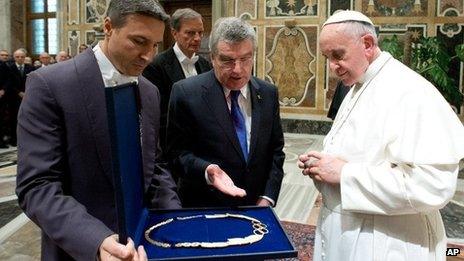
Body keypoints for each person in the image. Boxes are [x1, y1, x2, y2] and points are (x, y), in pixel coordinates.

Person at [16, 1, 180, 260]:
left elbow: (154, 165)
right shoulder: (50, 86)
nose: (149, 55)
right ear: (108, 27)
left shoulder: (150, 92)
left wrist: (174, 218)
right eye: (139, 41)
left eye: (155, 45)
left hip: (146, 246)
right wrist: (96, 240)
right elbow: (37, 186)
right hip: (80, 250)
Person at [298, 10, 464, 261]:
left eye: (338, 55)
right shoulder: (359, 84)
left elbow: (434, 186)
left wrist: (344, 173)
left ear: (367, 44)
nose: (332, 68)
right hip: (350, 232)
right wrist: (322, 163)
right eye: (326, 57)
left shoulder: (410, 92)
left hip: (387, 243)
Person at [167, 17, 285, 208]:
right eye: (227, 60)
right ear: (212, 57)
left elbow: (276, 151)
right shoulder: (186, 93)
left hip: (256, 204)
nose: (237, 70)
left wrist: (268, 197)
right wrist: (207, 171)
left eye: (245, 59)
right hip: (206, 204)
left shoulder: (268, 93)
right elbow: (176, 154)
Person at [143, 8, 211, 150]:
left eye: (200, 32)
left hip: (204, 145)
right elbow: (157, 116)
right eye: (190, 33)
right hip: (174, 147)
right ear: (174, 33)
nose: (198, 38)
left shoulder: (206, 65)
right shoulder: (156, 66)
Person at [5, 48, 35, 146]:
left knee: (27, 118)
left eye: (22, 57)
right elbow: (9, 83)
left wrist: (27, 92)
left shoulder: (30, 68)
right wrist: (18, 92)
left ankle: (27, 138)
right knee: (14, 119)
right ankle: (14, 139)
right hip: (14, 98)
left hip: (28, 97)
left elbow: (33, 82)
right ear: (14, 58)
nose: (20, 58)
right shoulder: (9, 68)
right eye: (17, 57)